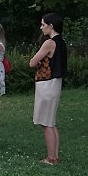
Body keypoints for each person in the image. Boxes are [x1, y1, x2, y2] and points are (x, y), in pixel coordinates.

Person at [29, 13, 67, 165]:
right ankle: (54, 156)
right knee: (50, 121)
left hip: (46, 84)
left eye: (43, 24)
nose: (41, 27)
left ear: (51, 26)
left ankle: (51, 158)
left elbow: (33, 62)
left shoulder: (49, 43)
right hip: (55, 83)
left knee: (46, 123)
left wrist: (34, 60)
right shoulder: (62, 42)